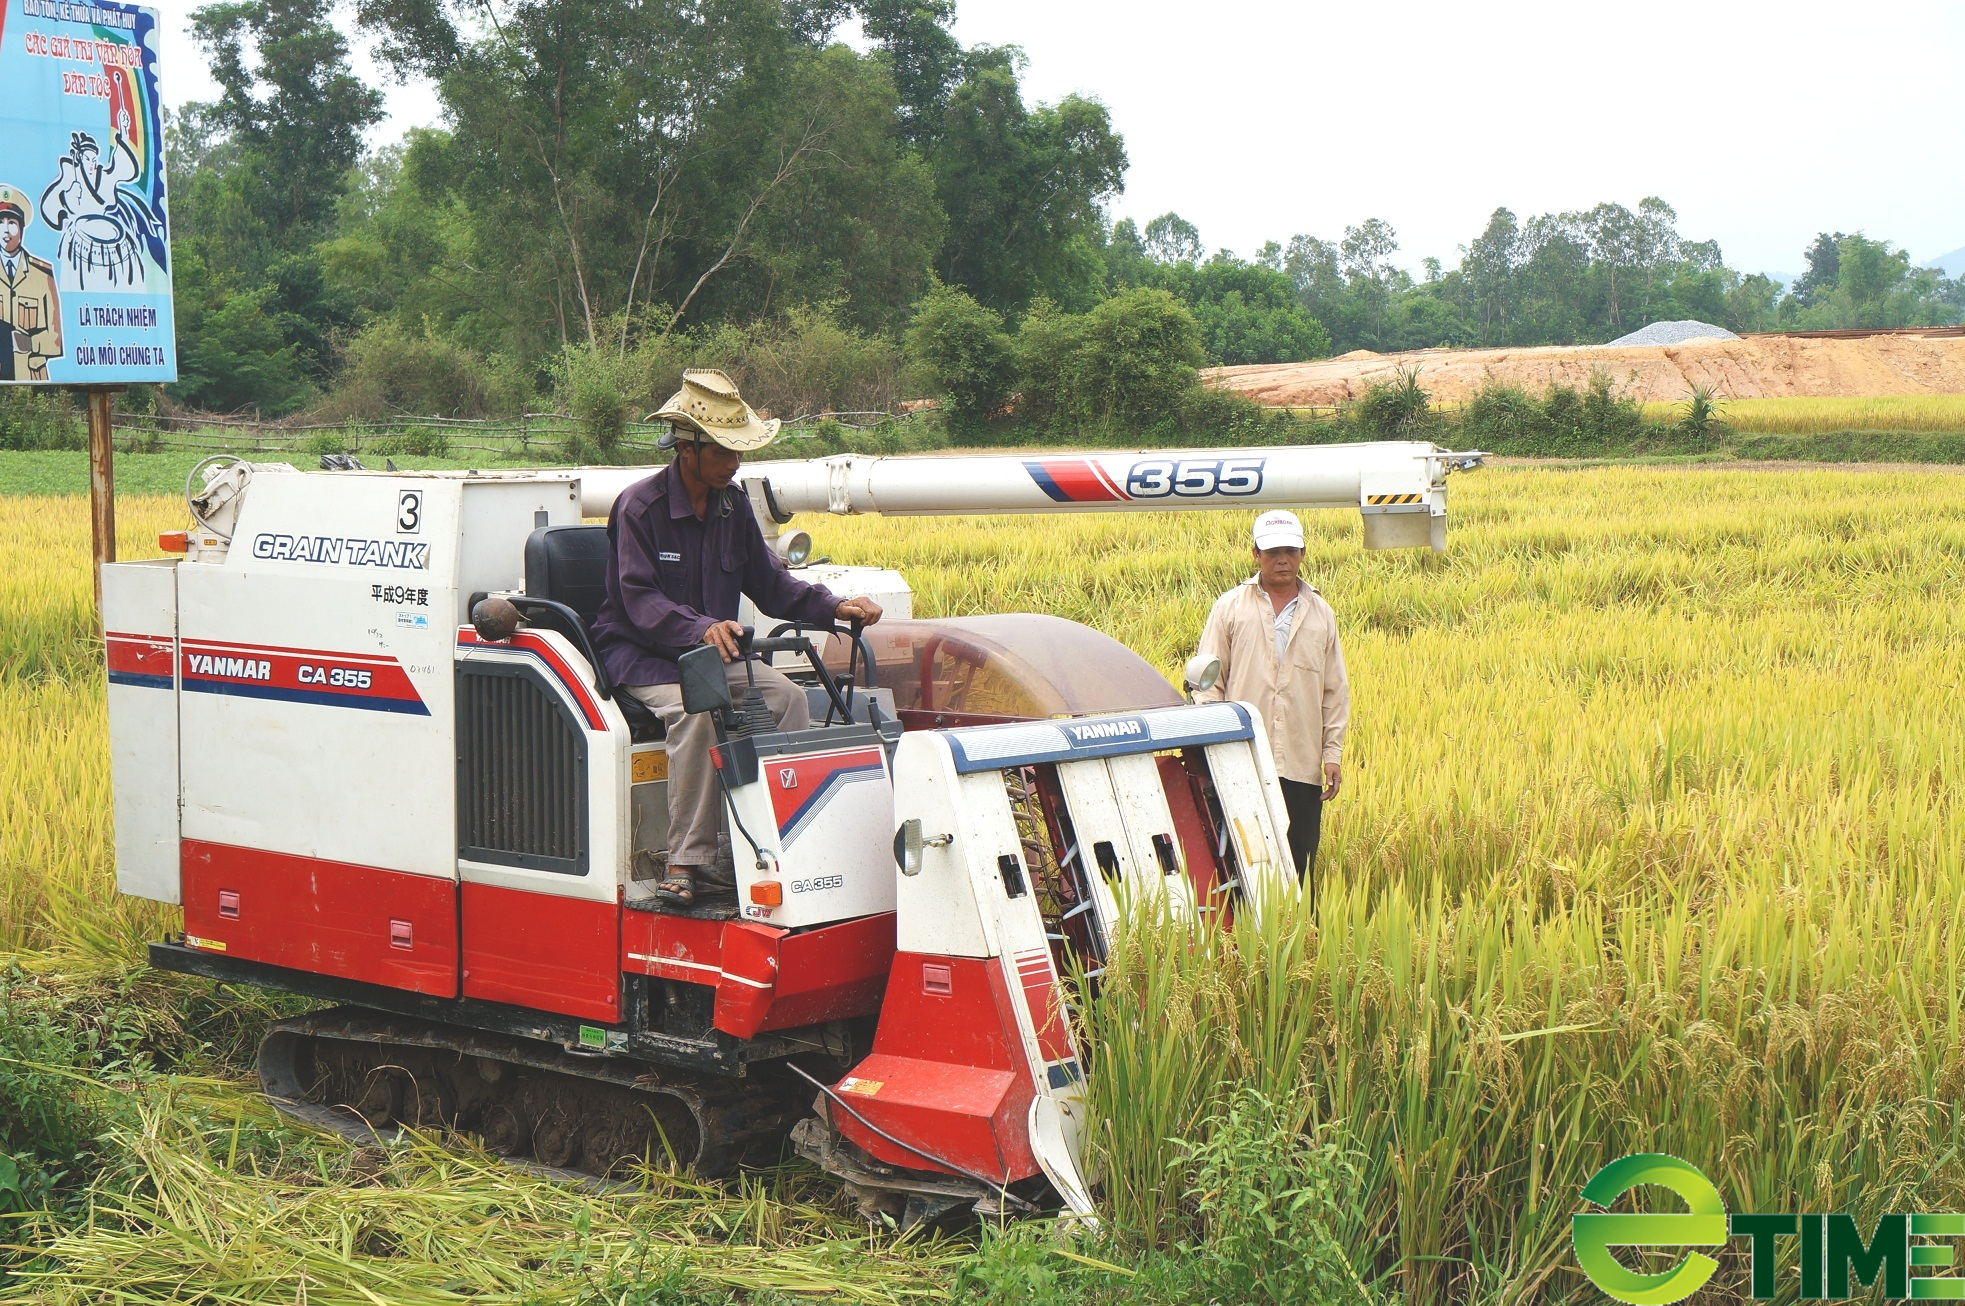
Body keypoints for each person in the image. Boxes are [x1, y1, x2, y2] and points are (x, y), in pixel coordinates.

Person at [591, 369, 883, 907]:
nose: (734, 463)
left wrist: (834, 605)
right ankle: (686, 860)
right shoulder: (639, 509)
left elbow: (772, 584)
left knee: (787, 698)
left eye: (737, 451)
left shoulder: (732, 507)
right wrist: (701, 626)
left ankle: (773, 844)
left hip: (712, 656)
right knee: (700, 709)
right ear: (687, 446)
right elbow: (639, 601)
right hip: (643, 658)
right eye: (723, 451)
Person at [1193, 510, 1349, 883]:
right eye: (1273, 551)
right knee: (1242, 866)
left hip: (1301, 759)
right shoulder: (1230, 607)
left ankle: (1302, 937)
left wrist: (1332, 754)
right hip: (1241, 758)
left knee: (1300, 865)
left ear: (1303, 553)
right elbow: (1208, 681)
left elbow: (1334, 690)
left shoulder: (1320, 613)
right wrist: (1214, 746)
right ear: (1255, 554)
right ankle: (1244, 938)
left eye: (1291, 550)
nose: (1283, 559)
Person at [0, 185, 62, 381]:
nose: (6, 230)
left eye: (12, 222)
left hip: (30, 378)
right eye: (0, 222)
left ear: (21, 228)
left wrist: (30, 343)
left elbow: (56, 339)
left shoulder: (42, 274)